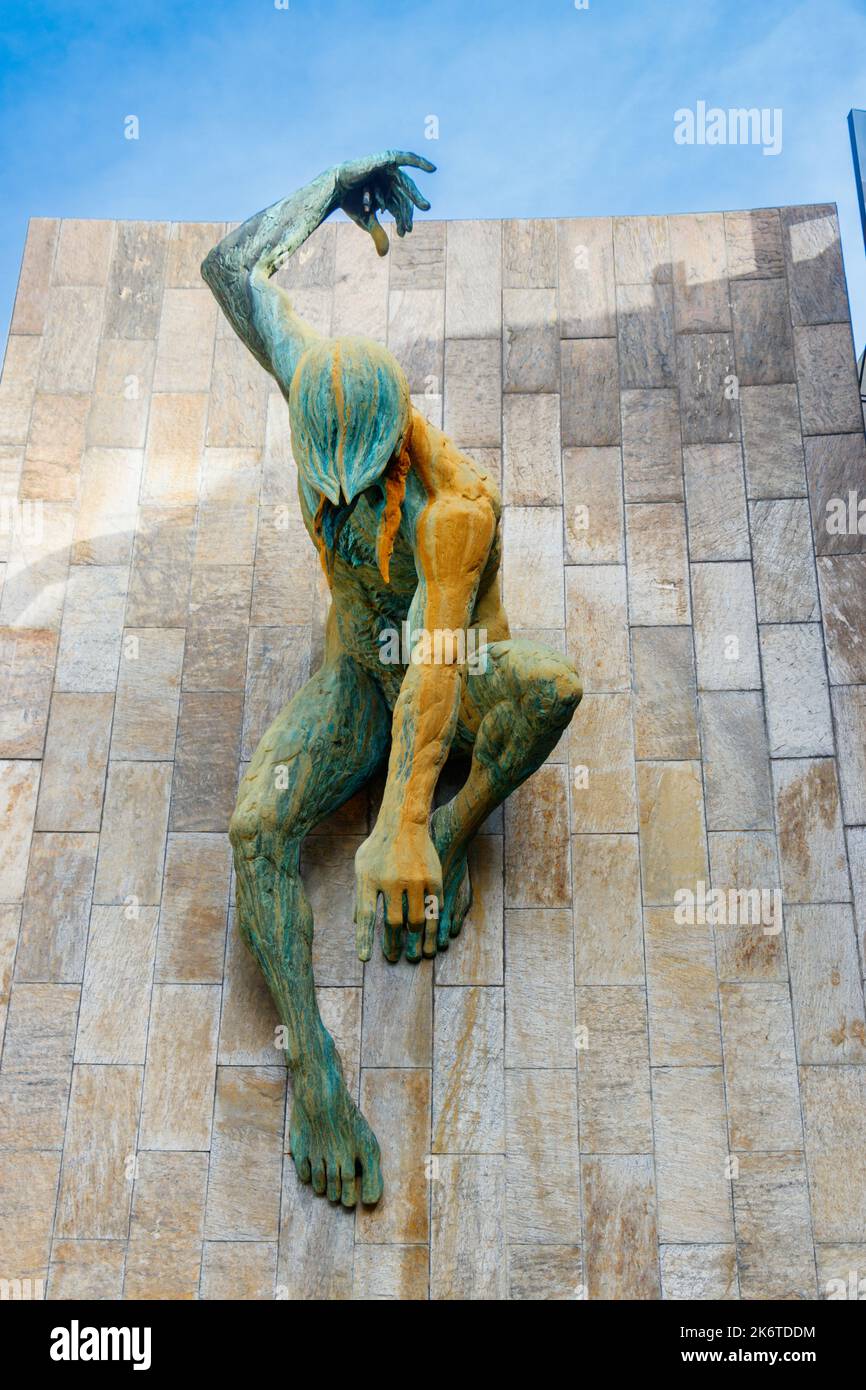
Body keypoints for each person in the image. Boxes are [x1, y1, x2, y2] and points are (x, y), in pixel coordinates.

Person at [201, 152, 582, 1209]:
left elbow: (434, 667)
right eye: (319, 492)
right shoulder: (313, 379)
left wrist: (412, 826)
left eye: (355, 490)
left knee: (549, 688)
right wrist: (326, 189)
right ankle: (316, 1077)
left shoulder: (445, 517)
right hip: (353, 677)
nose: (334, 509)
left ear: (395, 462)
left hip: (443, 673)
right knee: (252, 830)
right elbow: (230, 272)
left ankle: (462, 835)